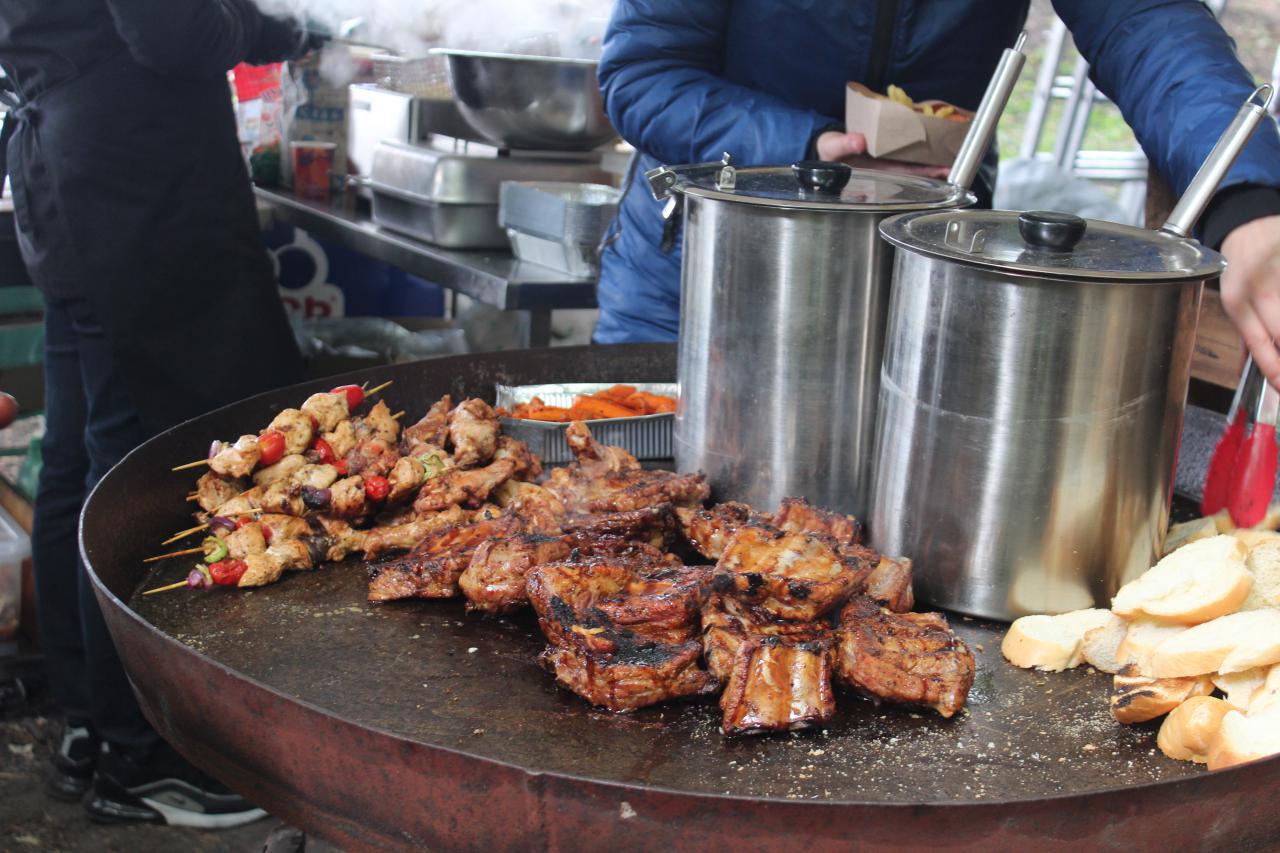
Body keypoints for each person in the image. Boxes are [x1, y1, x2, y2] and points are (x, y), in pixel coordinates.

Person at [594, 0, 1280, 386]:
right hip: (696, 286)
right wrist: (810, 148)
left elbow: (1149, 26)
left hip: (917, 290)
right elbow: (646, 75)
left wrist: (1246, 200)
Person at [0, 0, 310, 827]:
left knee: (81, 458)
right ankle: (144, 756)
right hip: (135, 188)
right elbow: (171, 31)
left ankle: (87, 726)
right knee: (144, 469)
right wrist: (265, 29)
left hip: (72, 167)